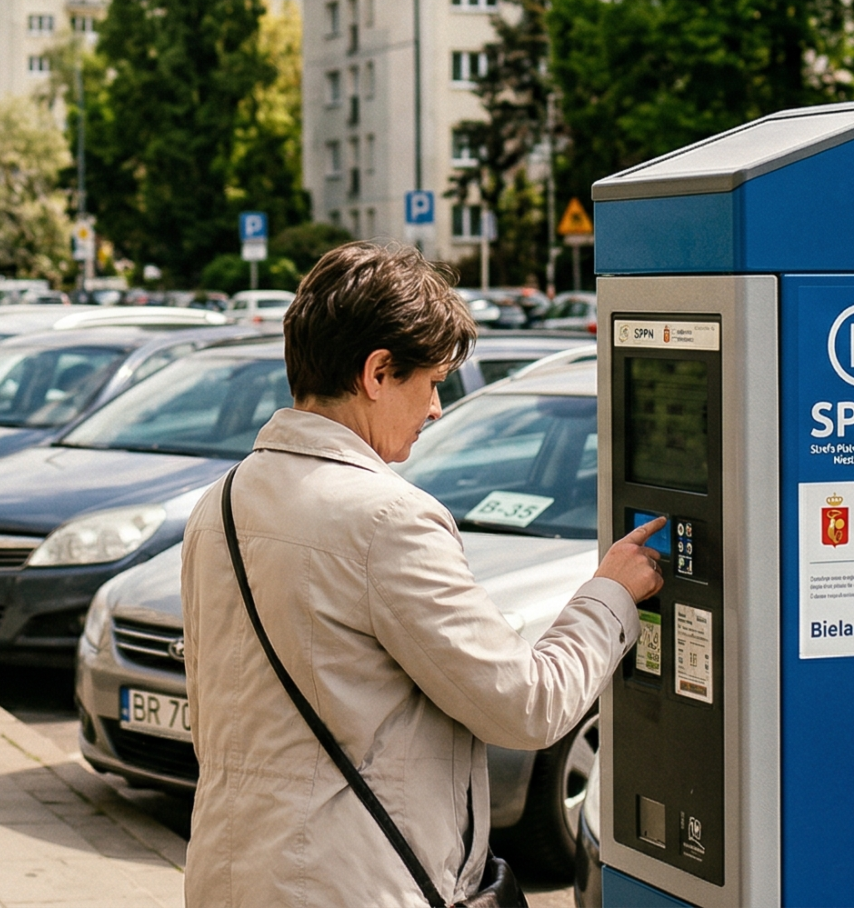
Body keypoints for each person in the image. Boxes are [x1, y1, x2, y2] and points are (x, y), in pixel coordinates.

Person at [182, 242, 666, 907]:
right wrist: (612, 593)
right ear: (378, 372)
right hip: (354, 887)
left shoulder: (224, 502)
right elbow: (527, 707)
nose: (438, 409)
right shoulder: (387, 519)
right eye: (433, 382)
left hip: (231, 877)